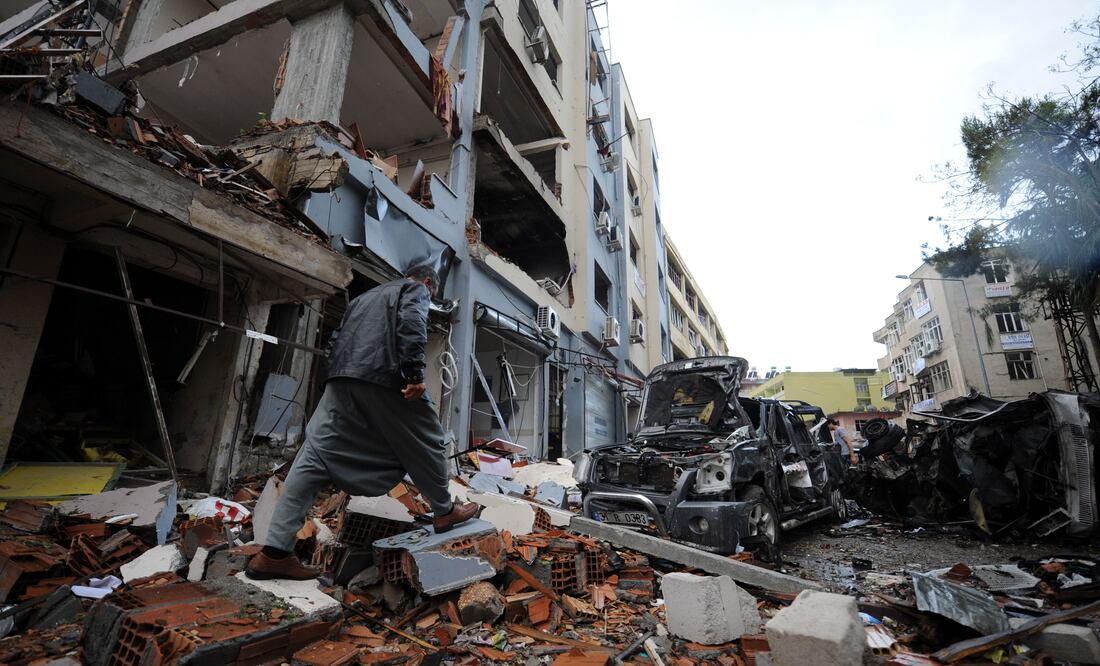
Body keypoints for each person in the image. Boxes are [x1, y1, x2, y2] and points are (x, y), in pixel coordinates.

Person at [246, 266, 478, 580]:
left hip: (340, 380)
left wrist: (336, 376)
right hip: (386, 377)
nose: (429, 296)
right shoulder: (414, 289)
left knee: (313, 459)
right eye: (432, 293)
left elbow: (334, 340)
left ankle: (274, 553)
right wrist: (414, 374)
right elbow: (412, 323)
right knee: (427, 441)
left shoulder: (362, 299)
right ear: (427, 282)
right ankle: (444, 511)